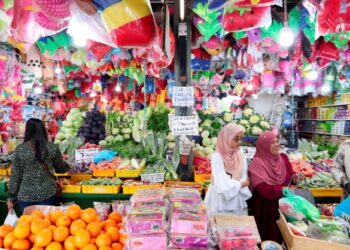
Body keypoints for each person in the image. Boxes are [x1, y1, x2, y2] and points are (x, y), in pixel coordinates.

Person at [7, 118, 69, 213]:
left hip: (25, 195)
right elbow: (61, 169)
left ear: (27, 131)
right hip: (48, 192)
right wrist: (67, 164)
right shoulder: (52, 147)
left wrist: (11, 197)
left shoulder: (20, 149)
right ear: (43, 130)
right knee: (46, 224)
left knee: (29, 225)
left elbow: (15, 175)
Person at [249, 131, 295, 243]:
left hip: (283, 206)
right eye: (272, 142)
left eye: (277, 141)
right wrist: (282, 189)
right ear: (264, 145)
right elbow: (261, 189)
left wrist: (295, 177)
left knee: (283, 236)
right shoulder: (257, 163)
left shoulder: (283, 158)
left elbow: (291, 173)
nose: (277, 144)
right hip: (266, 209)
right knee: (267, 237)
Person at [204, 123, 251, 215]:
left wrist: (237, 183)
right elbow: (222, 186)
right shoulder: (217, 156)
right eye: (236, 139)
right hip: (220, 201)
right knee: (220, 225)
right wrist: (240, 184)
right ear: (226, 139)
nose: (239, 142)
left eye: (241, 139)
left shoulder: (240, 154)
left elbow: (244, 178)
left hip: (237, 202)